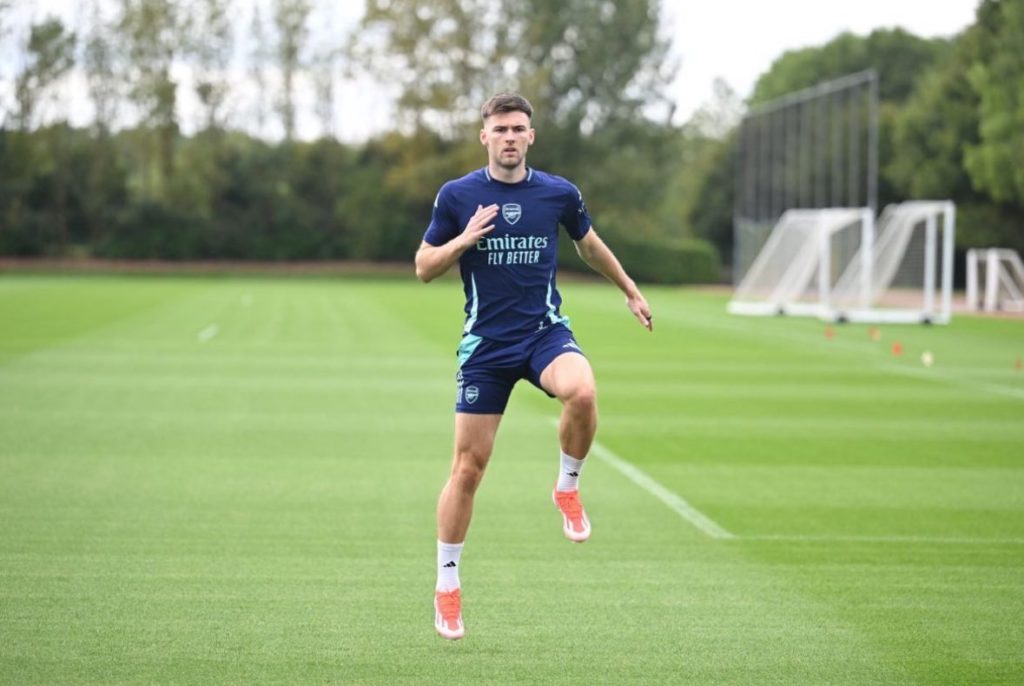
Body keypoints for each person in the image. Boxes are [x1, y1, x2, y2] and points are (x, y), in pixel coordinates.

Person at [415, 93, 652, 640]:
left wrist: (629, 288)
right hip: (487, 348)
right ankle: (447, 586)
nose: (510, 137)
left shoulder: (558, 193)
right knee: (468, 470)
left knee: (584, 392)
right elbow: (424, 267)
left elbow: (589, 246)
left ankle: (567, 486)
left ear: (531, 136)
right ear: (484, 137)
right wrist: (465, 239)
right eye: (500, 129)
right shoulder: (457, 196)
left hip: (543, 334)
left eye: (519, 128)